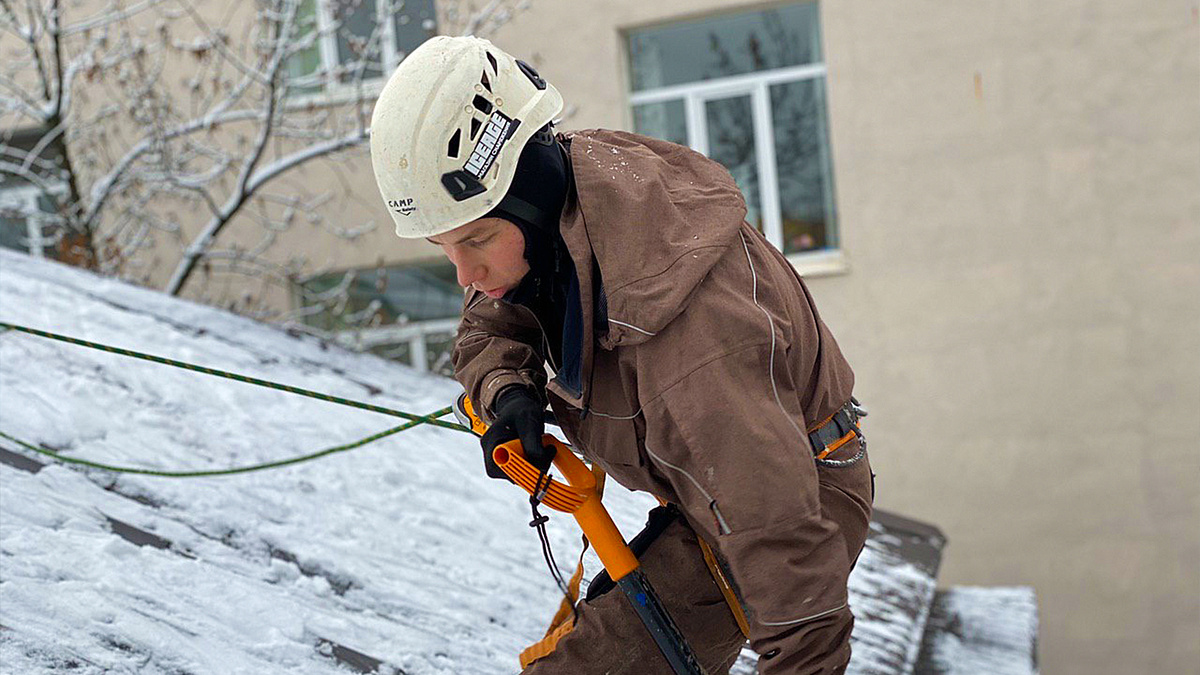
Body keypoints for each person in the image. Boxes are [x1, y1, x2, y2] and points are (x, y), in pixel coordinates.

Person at [370, 35, 874, 675]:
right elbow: (491, 321)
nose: (464, 274)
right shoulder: (567, 210)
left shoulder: (694, 342)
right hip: (708, 490)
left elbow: (786, 560)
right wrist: (508, 391)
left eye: (477, 241)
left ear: (529, 194)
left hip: (789, 496)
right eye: (445, 249)